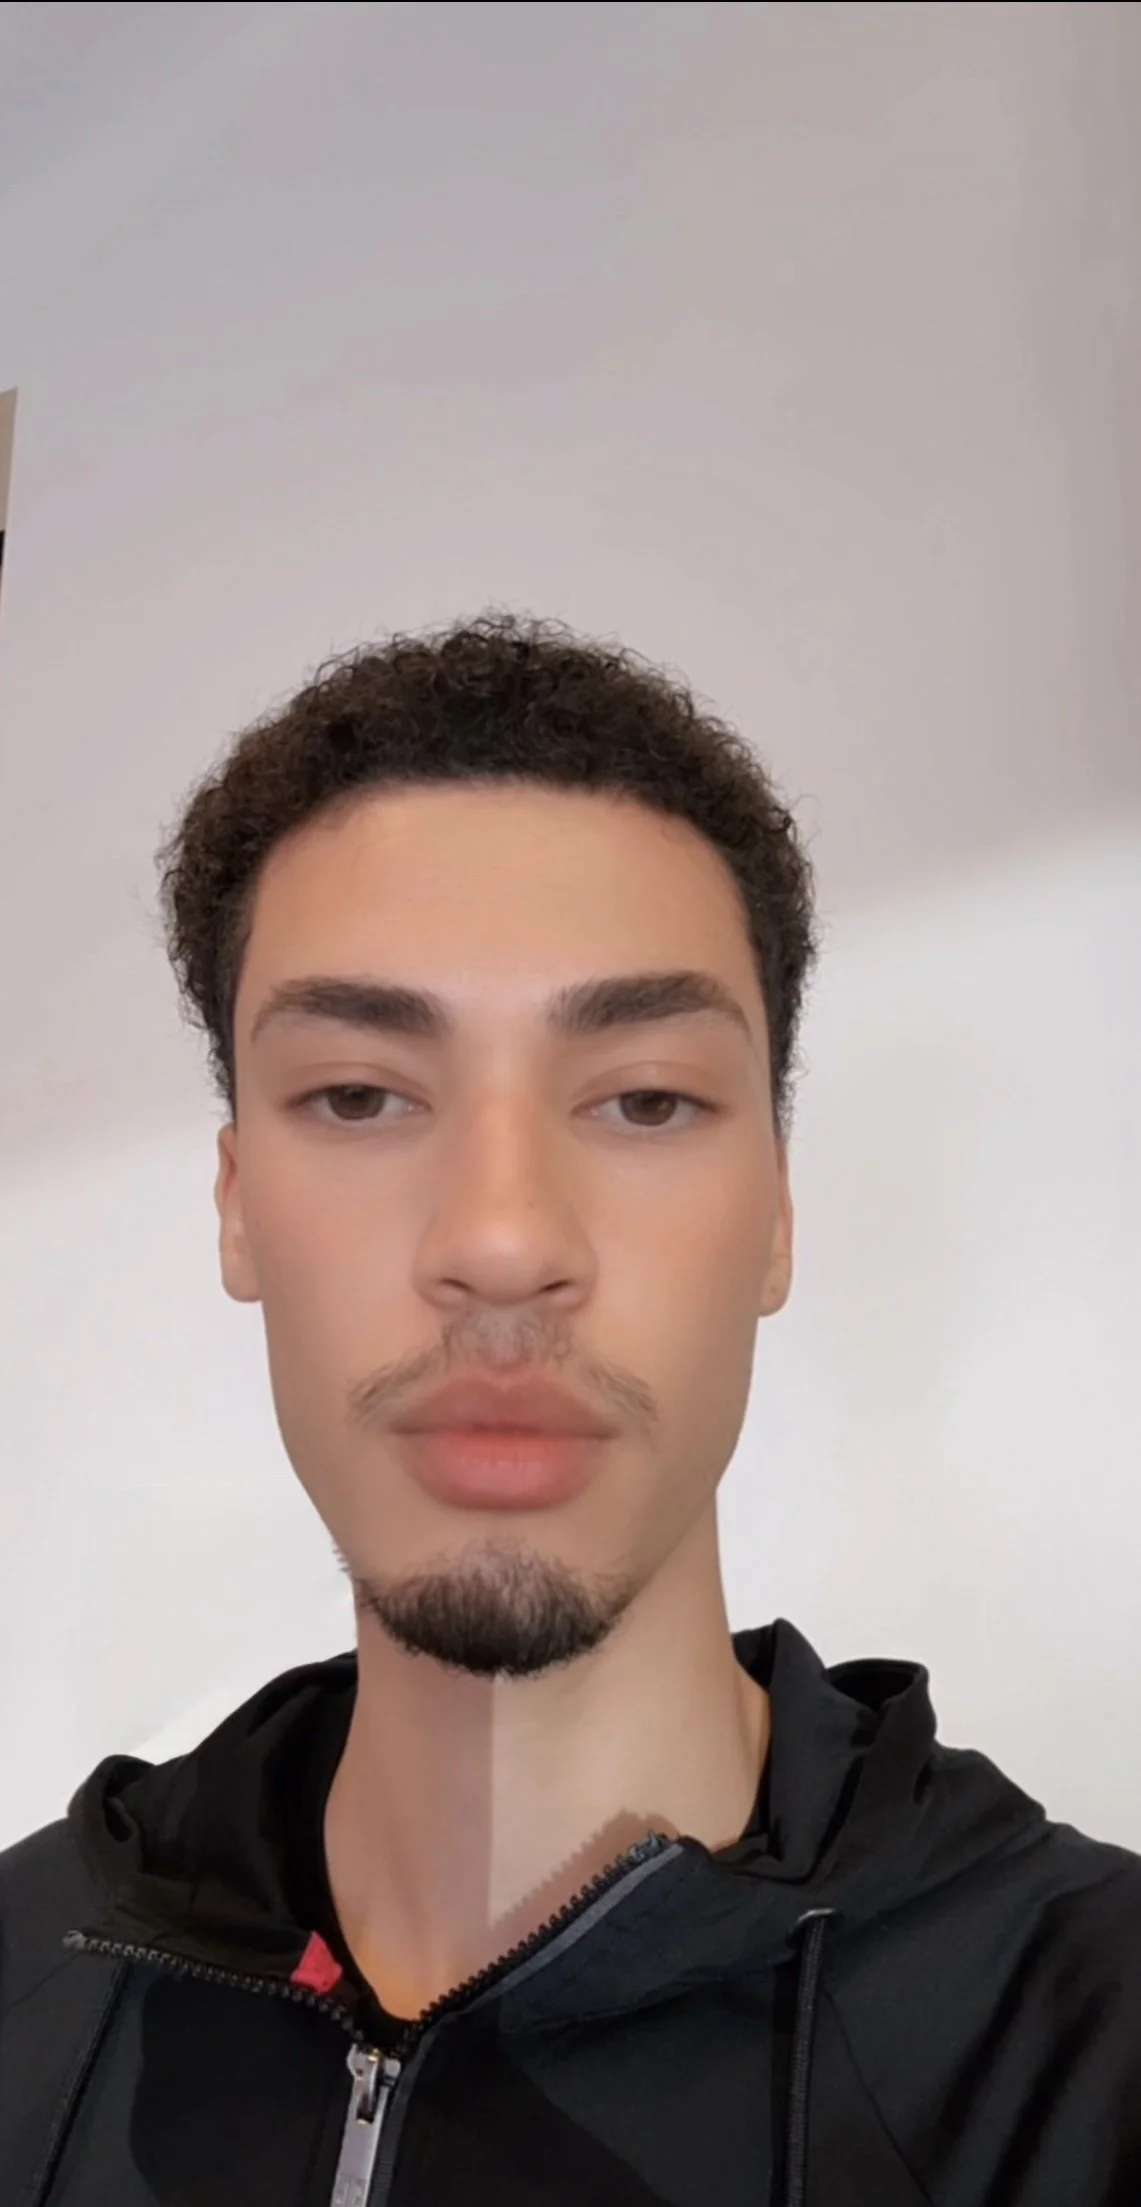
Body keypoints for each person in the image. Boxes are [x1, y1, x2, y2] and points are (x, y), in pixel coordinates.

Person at [1, 614, 1137, 2207]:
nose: (503, 1241)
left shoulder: (1083, 2054)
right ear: (239, 1202)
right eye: (359, 1095)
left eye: (647, 1098)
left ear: (780, 1216)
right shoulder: (22, 1994)